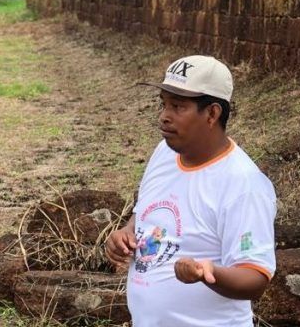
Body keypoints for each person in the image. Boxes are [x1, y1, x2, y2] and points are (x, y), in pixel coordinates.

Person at [105, 55, 276, 327]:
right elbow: (147, 213)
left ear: (212, 113)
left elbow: (255, 279)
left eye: (178, 106)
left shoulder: (243, 185)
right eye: (163, 104)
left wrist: (208, 273)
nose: (164, 117)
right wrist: (126, 233)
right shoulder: (165, 152)